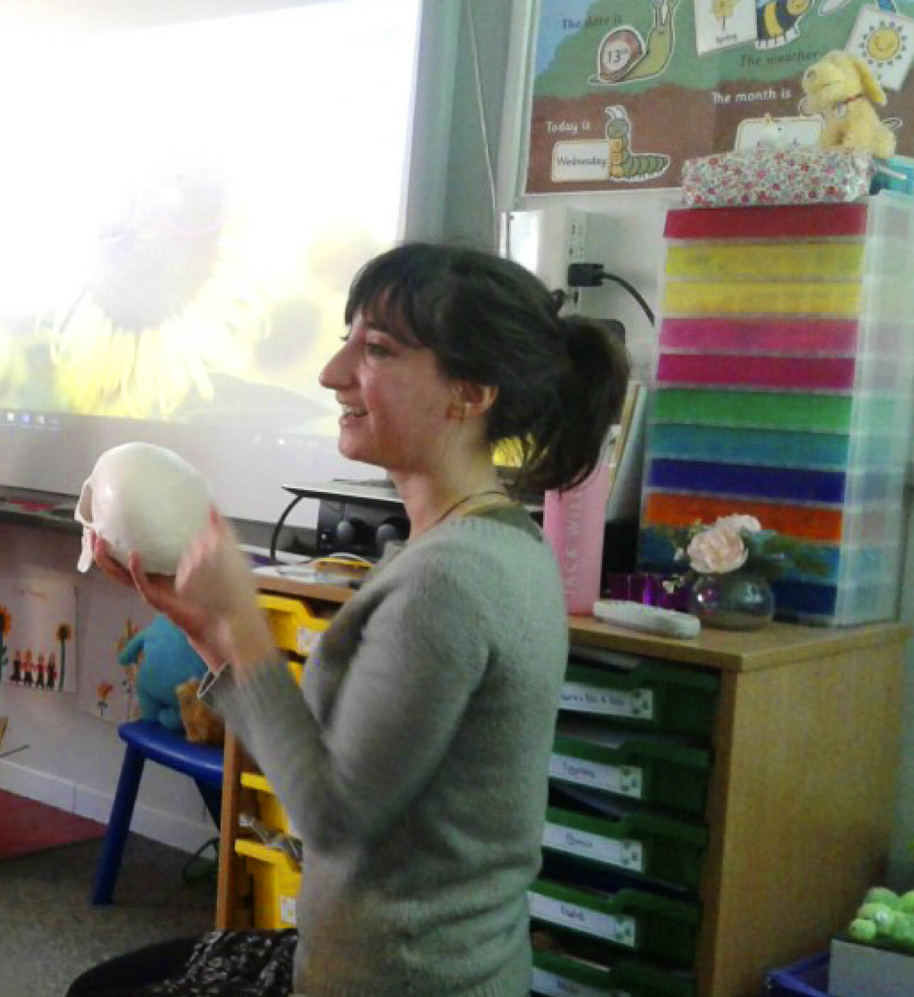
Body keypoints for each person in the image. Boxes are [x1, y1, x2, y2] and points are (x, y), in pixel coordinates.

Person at [74, 243, 630, 997]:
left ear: (469, 393)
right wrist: (212, 632)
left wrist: (243, 627)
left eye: (375, 349)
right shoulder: (489, 542)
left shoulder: (450, 580)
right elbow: (346, 766)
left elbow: (332, 816)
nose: (333, 374)